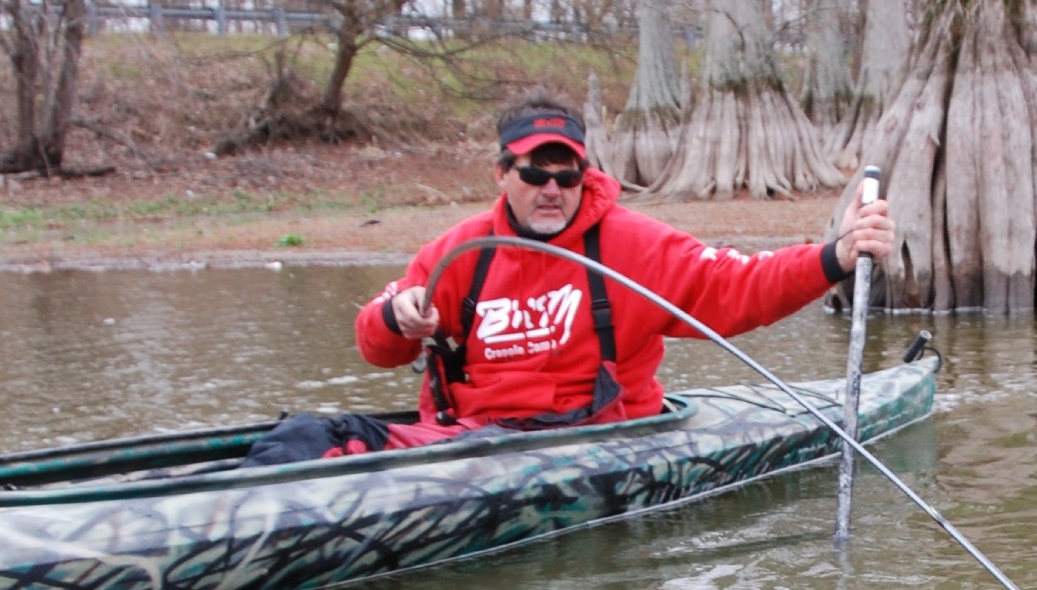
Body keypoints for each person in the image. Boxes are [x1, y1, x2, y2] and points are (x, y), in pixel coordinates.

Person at [244, 93, 894, 465]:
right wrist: (395, 318)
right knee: (301, 437)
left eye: (567, 174)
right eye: (534, 173)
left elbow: (738, 290)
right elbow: (375, 345)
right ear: (503, 173)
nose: (552, 189)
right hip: (472, 442)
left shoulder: (634, 245)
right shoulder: (459, 253)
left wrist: (837, 255)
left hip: (596, 441)